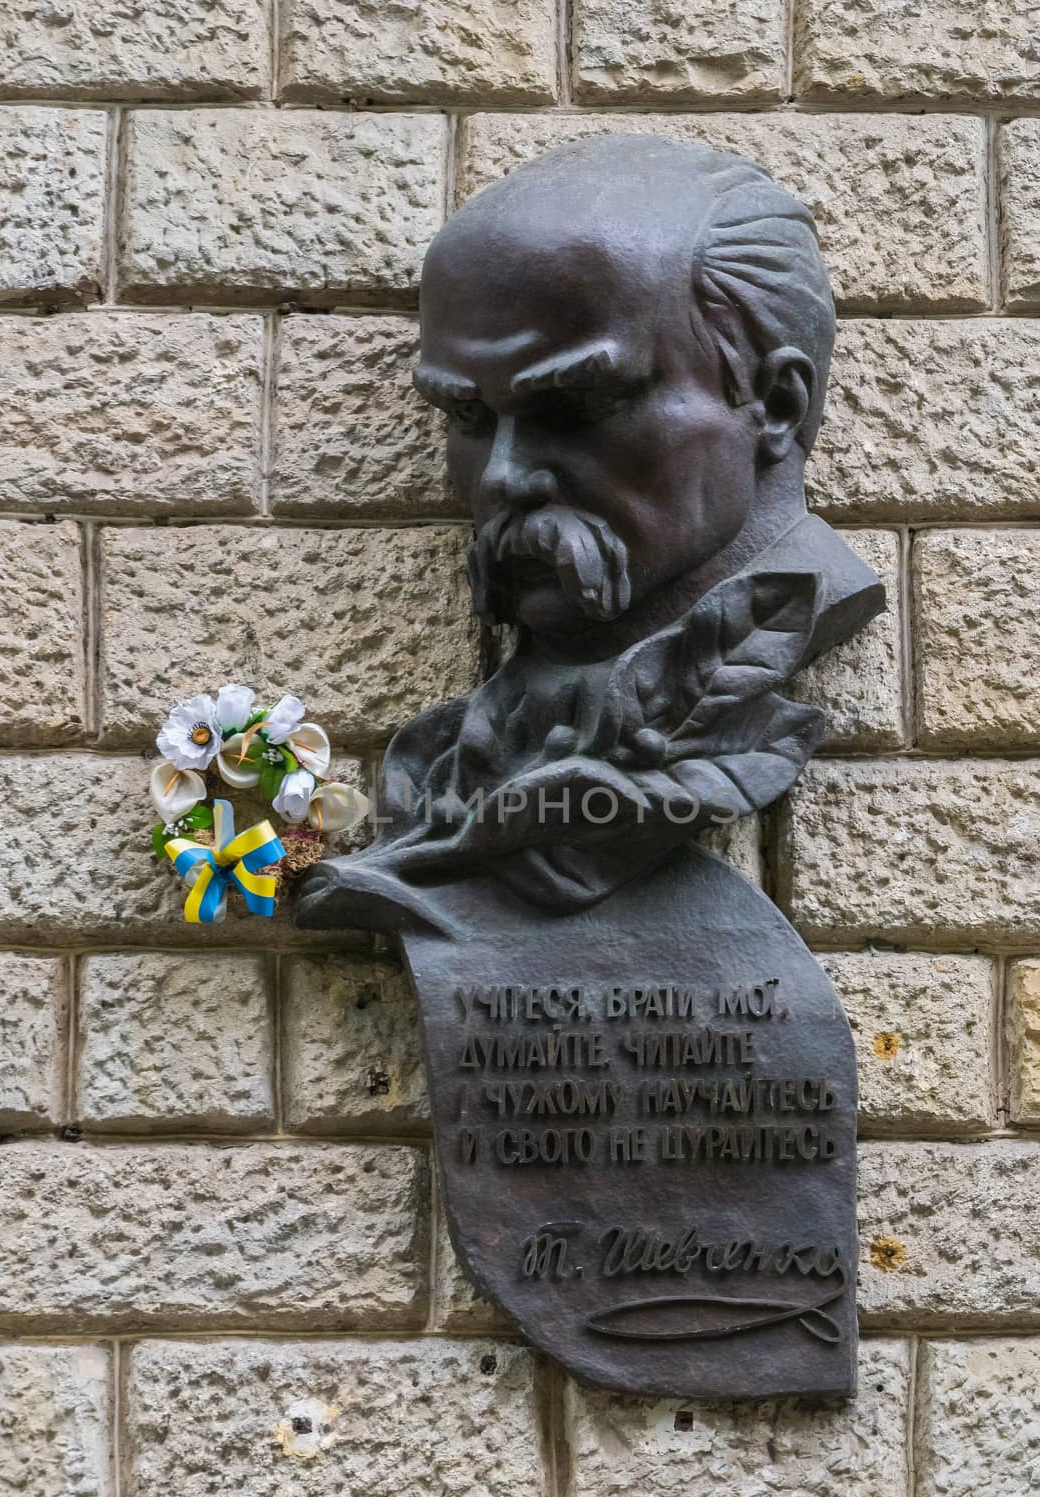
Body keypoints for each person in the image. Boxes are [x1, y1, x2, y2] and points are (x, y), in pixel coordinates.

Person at [294, 134, 884, 933]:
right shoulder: (457, 754)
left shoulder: (778, 617)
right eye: (467, 416)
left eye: (574, 407)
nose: (503, 477)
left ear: (775, 404)